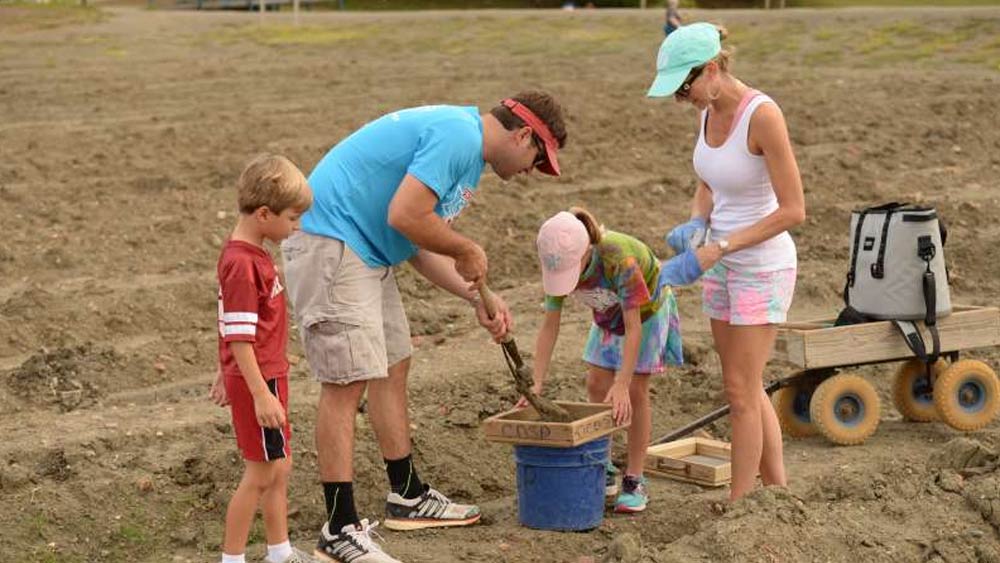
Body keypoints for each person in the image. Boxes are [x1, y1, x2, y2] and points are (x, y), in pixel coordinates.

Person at [281, 92, 567, 563]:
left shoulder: (467, 155)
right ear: (523, 135)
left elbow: (416, 241)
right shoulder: (458, 137)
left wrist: (476, 296)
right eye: (538, 159)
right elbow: (406, 216)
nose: (529, 173)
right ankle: (338, 526)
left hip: (367, 250)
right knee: (345, 383)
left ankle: (407, 494)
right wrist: (466, 248)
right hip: (333, 244)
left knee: (394, 363)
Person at [647, 22, 806, 501]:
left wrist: (724, 244)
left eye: (685, 87)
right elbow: (708, 182)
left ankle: (739, 503)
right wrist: (698, 223)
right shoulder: (706, 111)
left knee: (739, 392)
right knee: (746, 387)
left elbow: (794, 209)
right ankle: (776, 491)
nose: (682, 98)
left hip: (762, 265)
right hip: (718, 261)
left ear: (711, 69)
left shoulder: (763, 115)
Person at [521, 207, 707, 514]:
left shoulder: (618, 258)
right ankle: (603, 464)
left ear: (586, 252)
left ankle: (635, 477)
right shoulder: (556, 260)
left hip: (646, 316)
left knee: (634, 391)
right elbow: (549, 325)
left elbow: (633, 328)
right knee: (595, 383)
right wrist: (536, 383)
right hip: (608, 317)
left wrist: (621, 383)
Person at [210, 154, 315, 563]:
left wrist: (225, 370)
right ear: (265, 213)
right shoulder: (241, 264)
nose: (297, 227)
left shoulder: (252, 255)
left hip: (268, 377)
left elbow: (230, 323)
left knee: (280, 466)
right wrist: (259, 394)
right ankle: (232, 558)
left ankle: (280, 551)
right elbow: (238, 337)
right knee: (261, 473)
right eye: (292, 218)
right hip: (260, 382)